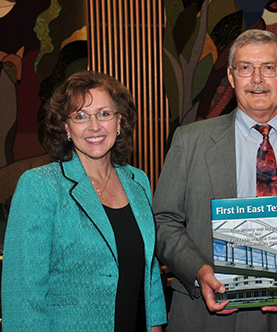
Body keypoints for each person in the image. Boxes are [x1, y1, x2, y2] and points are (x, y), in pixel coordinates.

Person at [153, 29, 277, 331]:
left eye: (268, 68)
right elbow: (164, 221)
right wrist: (199, 271)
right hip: (205, 316)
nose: (257, 79)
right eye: (245, 68)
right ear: (231, 77)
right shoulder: (190, 141)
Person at [1, 71, 167, 331]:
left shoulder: (138, 181)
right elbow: (22, 293)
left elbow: (149, 268)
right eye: (80, 116)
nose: (94, 126)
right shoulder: (40, 185)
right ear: (66, 127)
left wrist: (156, 325)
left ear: (119, 121)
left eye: (104, 113)